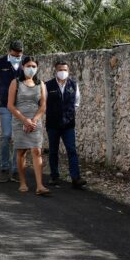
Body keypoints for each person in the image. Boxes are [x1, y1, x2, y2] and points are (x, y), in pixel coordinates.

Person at [7, 56, 50, 196]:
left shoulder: (41, 84)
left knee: (37, 151)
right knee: (21, 152)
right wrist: (24, 120)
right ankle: (23, 182)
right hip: (20, 121)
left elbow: (43, 105)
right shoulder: (16, 83)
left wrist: (34, 120)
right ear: (22, 66)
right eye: (28, 66)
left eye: (33, 66)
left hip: (35, 121)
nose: (31, 69)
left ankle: (39, 185)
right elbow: (10, 105)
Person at [45, 60, 87, 189]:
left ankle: (75, 178)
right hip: (52, 124)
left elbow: (76, 102)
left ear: (68, 71)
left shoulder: (73, 85)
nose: (62, 72)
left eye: (65, 70)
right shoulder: (48, 85)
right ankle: (54, 176)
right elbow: (44, 103)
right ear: (55, 71)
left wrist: (68, 115)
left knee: (72, 150)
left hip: (68, 124)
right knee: (53, 151)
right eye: (60, 70)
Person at [0, 40, 24, 183]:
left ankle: (17, 170)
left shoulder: (26, 63)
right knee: (6, 136)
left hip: (21, 107)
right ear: (9, 51)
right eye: (14, 54)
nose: (17, 56)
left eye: (19, 54)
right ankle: (5, 168)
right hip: (5, 105)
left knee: (19, 138)